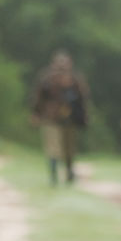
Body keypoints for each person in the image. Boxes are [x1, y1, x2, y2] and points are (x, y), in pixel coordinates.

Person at [29, 50, 90, 185]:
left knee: (69, 148)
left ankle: (68, 172)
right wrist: (36, 113)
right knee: (52, 147)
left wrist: (83, 116)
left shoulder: (75, 79)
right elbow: (39, 97)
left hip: (69, 119)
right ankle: (54, 175)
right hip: (51, 118)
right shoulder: (47, 79)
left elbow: (82, 99)